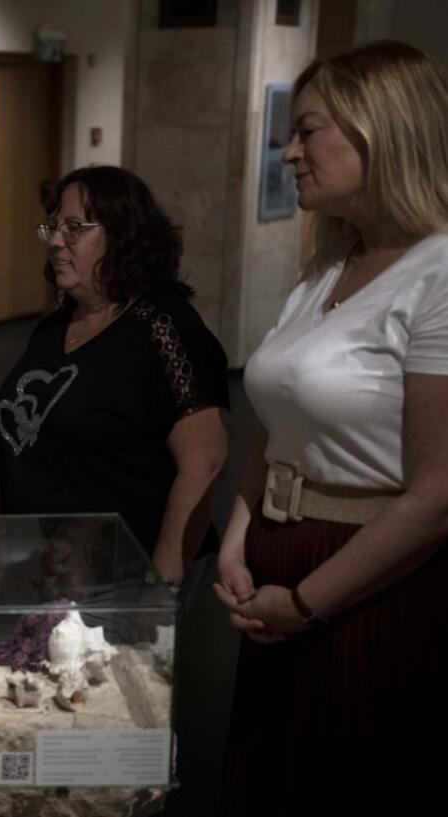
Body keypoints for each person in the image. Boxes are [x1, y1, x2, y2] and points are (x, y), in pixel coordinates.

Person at [214, 41, 448, 815]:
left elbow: (438, 494)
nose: (289, 152)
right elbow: (276, 426)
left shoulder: (439, 274)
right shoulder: (328, 268)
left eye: (307, 130)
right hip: (282, 556)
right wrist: (237, 535)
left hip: (368, 577)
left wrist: (309, 600)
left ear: (378, 130)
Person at [0, 165, 230, 592]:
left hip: (123, 577)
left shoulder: (163, 327)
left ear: (121, 233)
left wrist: (158, 590)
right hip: (57, 569)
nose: (54, 240)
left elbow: (204, 463)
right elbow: (24, 440)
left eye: (74, 227)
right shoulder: (55, 327)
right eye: (52, 226)